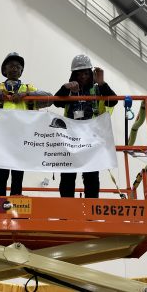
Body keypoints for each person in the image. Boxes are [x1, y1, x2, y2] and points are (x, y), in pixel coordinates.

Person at [0, 52, 52, 196]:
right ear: (4, 70)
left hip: (22, 137)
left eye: (18, 67)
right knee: (2, 170)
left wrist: (26, 95)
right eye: (11, 66)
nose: (15, 69)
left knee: (18, 171)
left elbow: (50, 97)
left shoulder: (28, 88)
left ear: (21, 71)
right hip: (2, 137)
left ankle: (15, 199)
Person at [54, 54, 118, 198]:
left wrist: (102, 84)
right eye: (79, 73)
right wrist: (65, 87)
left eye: (86, 73)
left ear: (91, 74)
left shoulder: (98, 90)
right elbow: (56, 102)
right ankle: (66, 210)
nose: (83, 76)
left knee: (91, 177)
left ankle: (91, 210)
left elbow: (113, 101)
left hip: (91, 140)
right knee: (68, 176)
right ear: (74, 75)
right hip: (71, 140)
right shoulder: (70, 91)